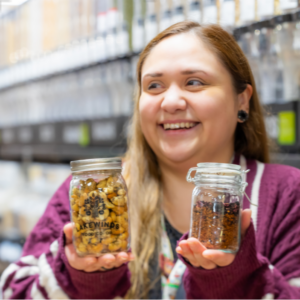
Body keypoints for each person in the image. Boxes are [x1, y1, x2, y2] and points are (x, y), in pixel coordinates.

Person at [1, 21, 300, 299]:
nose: (170, 102)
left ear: (242, 100)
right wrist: (79, 276)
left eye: (194, 82)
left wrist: (235, 278)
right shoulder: (98, 190)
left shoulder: (286, 193)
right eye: (154, 86)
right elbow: (14, 290)